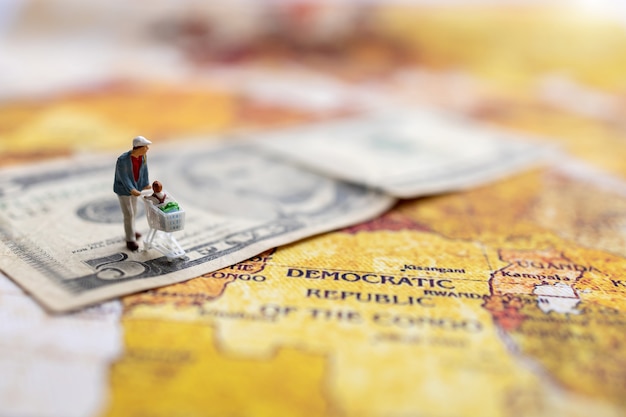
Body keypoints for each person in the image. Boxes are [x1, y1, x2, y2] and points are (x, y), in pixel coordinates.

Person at [113, 136, 152, 251]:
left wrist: (145, 183)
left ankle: (132, 230)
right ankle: (130, 239)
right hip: (124, 190)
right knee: (128, 214)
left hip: (136, 188)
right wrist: (131, 189)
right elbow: (124, 177)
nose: (147, 149)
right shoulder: (123, 160)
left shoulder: (143, 157)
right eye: (145, 147)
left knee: (134, 212)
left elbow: (144, 171)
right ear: (138, 148)